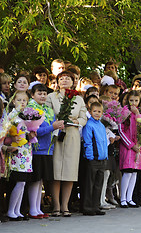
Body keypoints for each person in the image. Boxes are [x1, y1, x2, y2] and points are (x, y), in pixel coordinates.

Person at [46, 71, 87, 217]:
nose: (64, 80)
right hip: (56, 134)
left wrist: (77, 122)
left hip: (72, 135)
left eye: (67, 78)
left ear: (73, 81)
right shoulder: (51, 97)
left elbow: (83, 117)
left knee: (70, 172)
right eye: (61, 78)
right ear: (57, 82)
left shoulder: (79, 98)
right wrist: (55, 123)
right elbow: (48, 114)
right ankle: (56, 205)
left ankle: (65, 206)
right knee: (56, 171)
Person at [27, 84, 64, 219]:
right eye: (39, 93)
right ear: (32, 95)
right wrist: (52, 127)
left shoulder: (48, 109)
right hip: (37, 149)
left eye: (44, 94)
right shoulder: (30, 109)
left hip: (48, 150)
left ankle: (38, 208)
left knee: (41, 180)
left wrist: (58, 127)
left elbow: (52, 128)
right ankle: (32, 209)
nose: (42, 96)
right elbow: (35, 132)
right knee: (35, 180)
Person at [6, 91, 34, 221]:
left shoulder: (27, 116)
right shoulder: (12, 116)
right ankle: (11, 210)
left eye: (24, 100)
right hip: (17, 151)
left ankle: (17, 210)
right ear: (13, 101)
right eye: (19, 100)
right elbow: (7, 131)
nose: (22, 103)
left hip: (26, 152)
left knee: (23, 183)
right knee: (19, 181)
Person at [118, 90, 141, 208]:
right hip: (128, 147)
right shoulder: (124, 112)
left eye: (136, 101)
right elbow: (121, 130)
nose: (133, 103)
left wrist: (138, 114)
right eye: (131, 100)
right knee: (128, 172)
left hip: (138, 147)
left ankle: (130, 198)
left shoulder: (140, 113)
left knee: (134, 173)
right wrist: (130, 145)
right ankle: (123, 198)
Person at [82, 102, 108, 216]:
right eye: (94, 111)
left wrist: (105, 155)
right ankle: (87, 207)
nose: (97, 114)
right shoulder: (89, 125)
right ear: (90, 112)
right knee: (90, 183)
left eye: (99, 112)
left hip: (102, 159)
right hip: (93, 159)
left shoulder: (101, 125)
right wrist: (90, 157)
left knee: (99, 184)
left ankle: (95, 206)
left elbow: (104, 141)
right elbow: (88, 142)